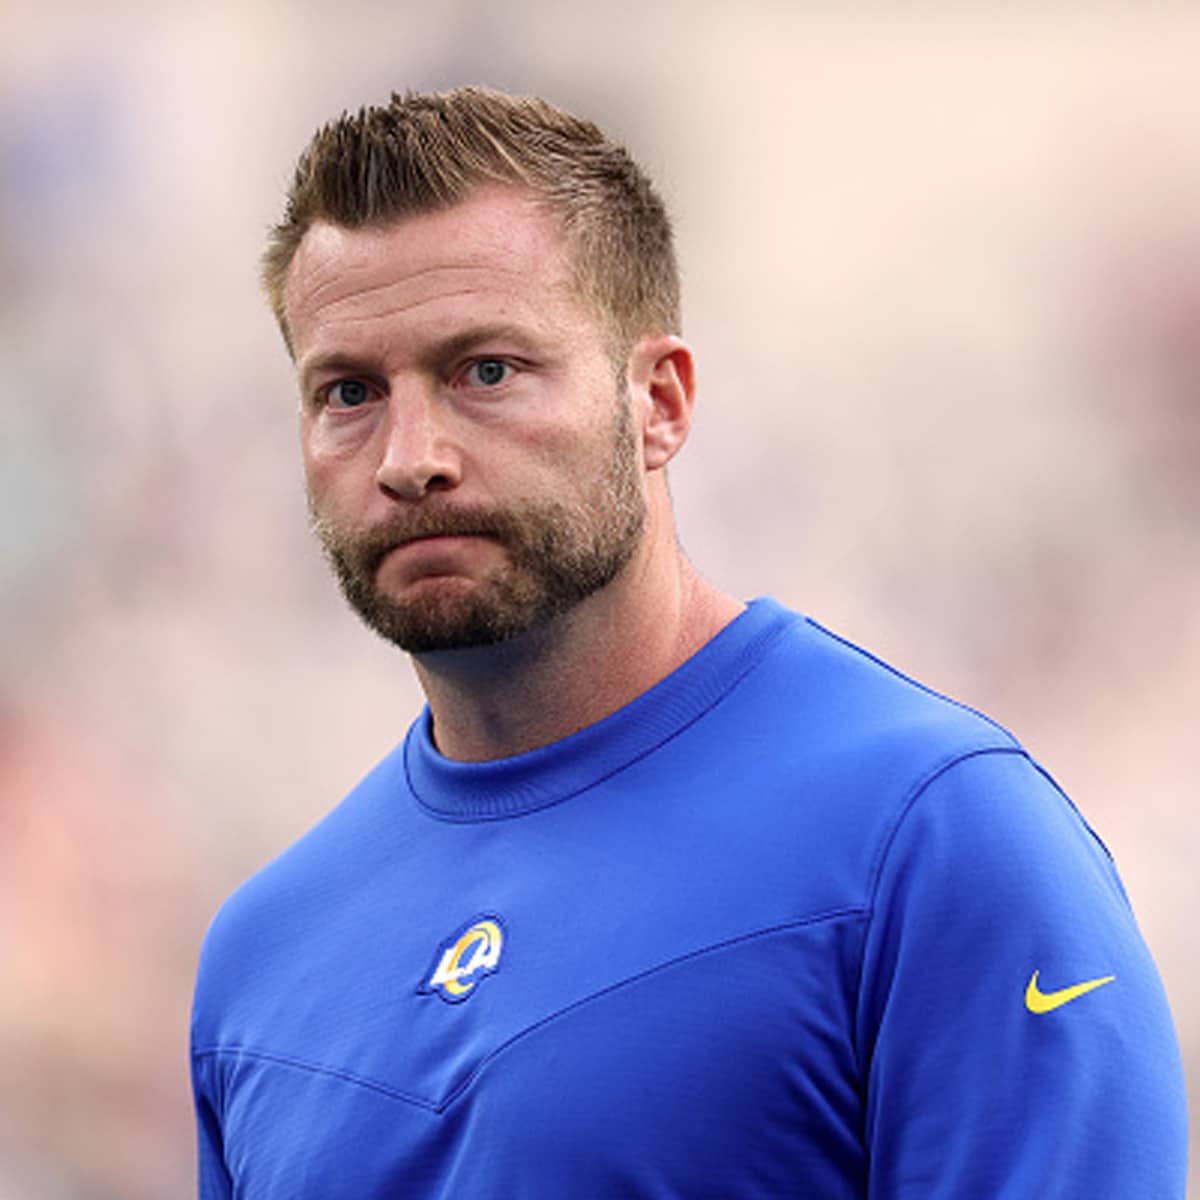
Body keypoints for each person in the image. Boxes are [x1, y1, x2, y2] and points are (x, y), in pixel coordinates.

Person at [190, 87, 1188, 1198]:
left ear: (659, 401)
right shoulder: (261, 956)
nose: (409, 456)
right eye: (349, 392)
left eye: (486, 372)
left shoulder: (933, 837)